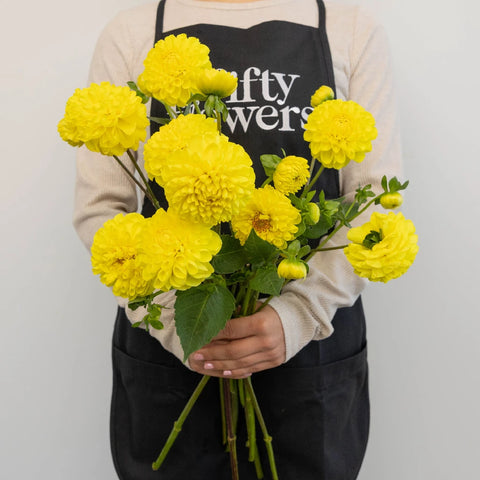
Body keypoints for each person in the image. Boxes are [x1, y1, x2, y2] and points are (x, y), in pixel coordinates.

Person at [73, 0, 402, 478]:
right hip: (172, 355)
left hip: (310, 357)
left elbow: (373, 205)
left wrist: (297, 316)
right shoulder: (134, 31)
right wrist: (179, 324)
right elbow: (101, 208)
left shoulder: (351, 29)